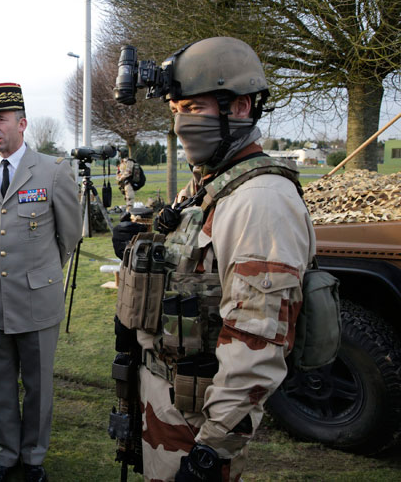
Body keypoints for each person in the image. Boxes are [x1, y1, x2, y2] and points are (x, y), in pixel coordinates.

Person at [123, 37, 315, 481]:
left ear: (241, 107)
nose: (180, 125)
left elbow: (255, 348)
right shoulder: (212, 184)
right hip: (167, 405)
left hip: (199, 424)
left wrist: (210, 453)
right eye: (175, 111)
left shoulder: (261, 201)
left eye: (192, 109)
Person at [0, 83, 81, 482]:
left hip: (36, 300)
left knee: (38, 387)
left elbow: (69, 236)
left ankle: (33, 460)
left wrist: (40, 274)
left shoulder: (52, 170)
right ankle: (6, 457)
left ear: (22, 123)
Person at [116, 146, 145, 216]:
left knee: (130, 199)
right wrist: (118, 178)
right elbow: (120, 172)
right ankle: (128, 213)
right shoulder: (122, 162)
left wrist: (120, 179)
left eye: (120, 152)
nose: (119, 154)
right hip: (124, 183)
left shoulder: (129, 162)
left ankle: (129, 214)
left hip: (128, 184)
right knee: (127, 199)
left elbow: (128, 173)